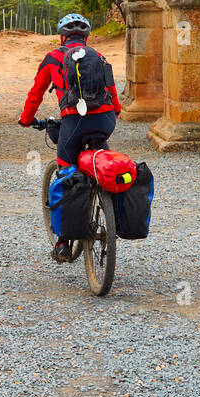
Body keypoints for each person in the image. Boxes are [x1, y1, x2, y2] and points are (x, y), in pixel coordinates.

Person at [18, 13, 121, 262]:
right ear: (86, 37)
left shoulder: (53, 58)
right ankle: (113, 215)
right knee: (102, 165)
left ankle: (63, 242)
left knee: (66, 173)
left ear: (62, 36)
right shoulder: (100, 57)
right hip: (105, 121)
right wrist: (113, 112)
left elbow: (36, 93)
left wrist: (26, 119)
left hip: (74, 121)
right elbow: (113, 94)